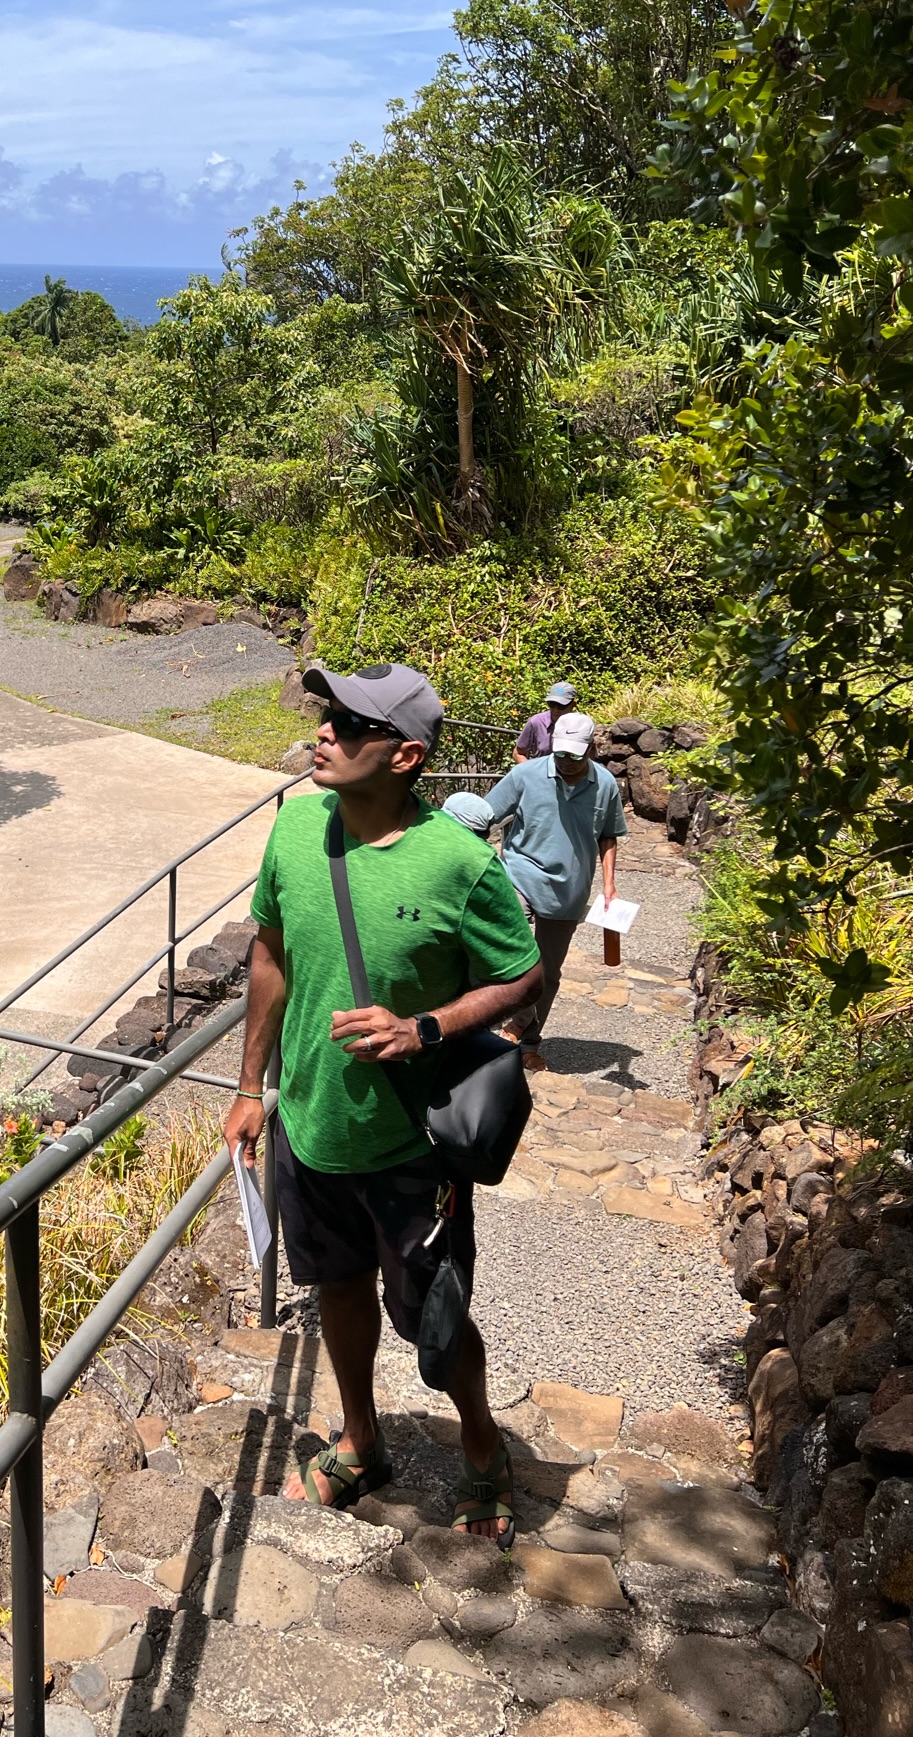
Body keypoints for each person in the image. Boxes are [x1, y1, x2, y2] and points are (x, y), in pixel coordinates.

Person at [224, 661, 542, 1545]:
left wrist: (426, 1027)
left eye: (348, 725)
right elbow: (271, 957)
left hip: (409, 1144)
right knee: (334, 1288)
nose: (324, 732)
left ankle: (485, 1449)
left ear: (404, 755)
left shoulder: (460, 863)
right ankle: (362, 1440)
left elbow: (523, 972)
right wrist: (251, 1088)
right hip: (311, 1127)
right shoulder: (294, 827)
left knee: (434, 1321)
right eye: (326, 715)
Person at [487, 710, 626, 1069]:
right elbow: (483, 815)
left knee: (547, 973)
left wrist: (609, 885)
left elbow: (608, 834)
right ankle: (489, 1027)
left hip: (569, 891)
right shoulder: (525, 775)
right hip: (518, 877)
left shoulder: (606, 784)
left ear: (591, 749)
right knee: (507, 955)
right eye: (560, 754)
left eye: (574, 756)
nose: (566, 762)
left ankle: (526, 1040)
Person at [513, 681, 577, 763]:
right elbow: (518, 753)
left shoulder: (580, 725)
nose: (556, 710)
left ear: (573, 705)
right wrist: (531, 771)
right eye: (552, 704)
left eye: (561, 706)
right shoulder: (536, 722)